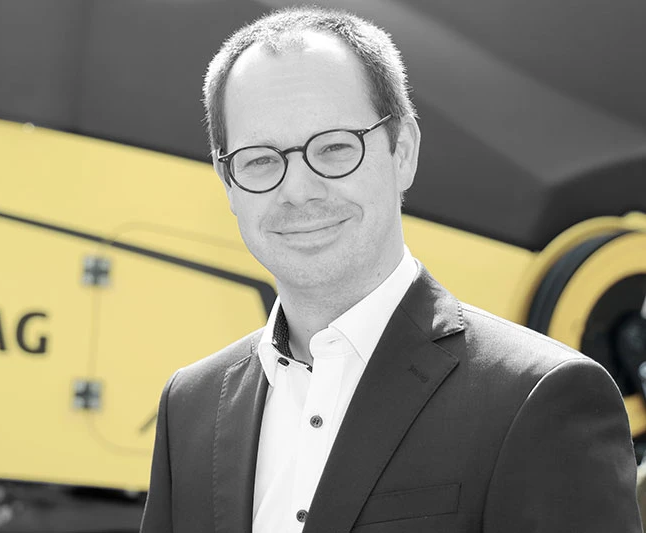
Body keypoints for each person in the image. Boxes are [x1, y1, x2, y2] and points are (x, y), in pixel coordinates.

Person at [140, 6, 640, 533]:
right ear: (228, 183)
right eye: (261, 159)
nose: (299, 190)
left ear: (403, 152)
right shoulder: (189, 408)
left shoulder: (540, 397)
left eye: (334, 148)